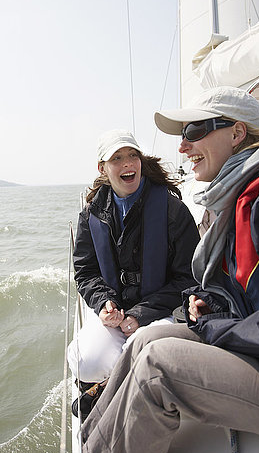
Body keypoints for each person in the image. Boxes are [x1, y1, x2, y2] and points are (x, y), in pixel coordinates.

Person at [38, 87, 259, 453]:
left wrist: (214, 328)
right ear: (103, 169)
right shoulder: (242, 196)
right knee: (144, 342)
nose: (182, 145)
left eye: (195, 130)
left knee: (158, 368)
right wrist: (208, 304)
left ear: (237, 134)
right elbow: (252, 287)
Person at [67, 129, 199, 388]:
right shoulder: (91, 216)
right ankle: (102, 384)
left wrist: (141, 314)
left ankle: (113, 389)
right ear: (102, 168)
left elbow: (189, 277)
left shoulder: (173, 211)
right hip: (115, 312)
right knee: (87, 362)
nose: (127, 163)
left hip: (161, 310)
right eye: (116, 158)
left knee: (146, 361)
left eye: (132, 155)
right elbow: (86, 272)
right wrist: (104, 303)